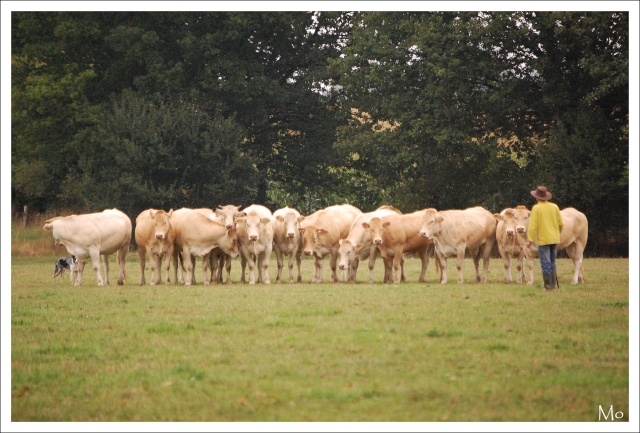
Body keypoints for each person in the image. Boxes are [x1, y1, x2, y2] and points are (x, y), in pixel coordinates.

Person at [526, 185, 563, 290]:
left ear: (537, 197)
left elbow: (533, 227)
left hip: (543, 240)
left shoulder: (536, 208)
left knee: (545, 262)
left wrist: (530, 240)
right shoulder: (554, 207)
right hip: (554, 238)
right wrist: (557, 233)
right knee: (552, 261)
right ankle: (553, 285)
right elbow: (561, 223)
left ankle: (548, 286)